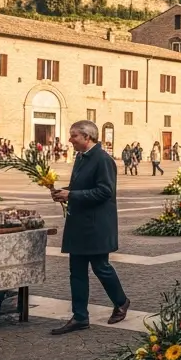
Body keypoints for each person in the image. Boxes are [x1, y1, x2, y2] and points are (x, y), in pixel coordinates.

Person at [50, 120, 129, 334]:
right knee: (76, 272)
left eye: (74, 135)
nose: (69, 140)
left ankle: (121, 302)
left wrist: (72, 195)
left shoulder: (103, 159)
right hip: (79, 224)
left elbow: (105, 191)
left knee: (101, 268)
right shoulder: (80, 157)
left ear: (87, 137)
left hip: (96, 225)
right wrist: (64, 192)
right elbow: (80, 188)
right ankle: (80, 317)